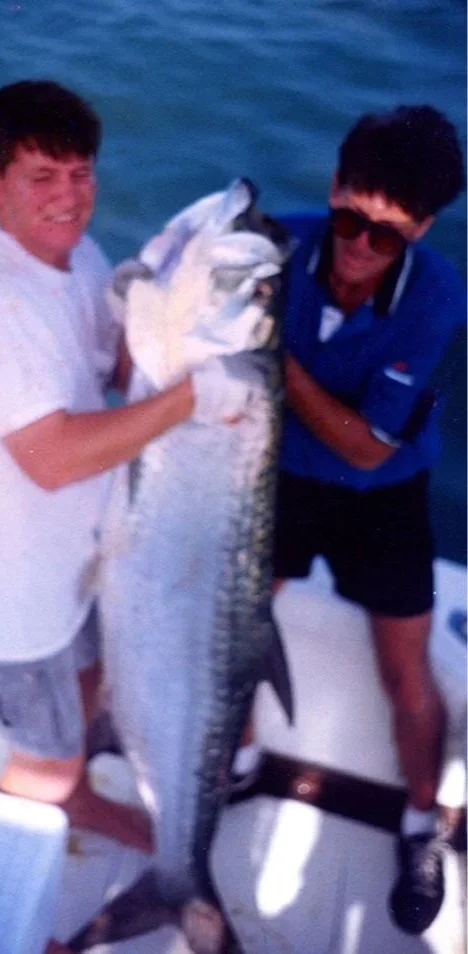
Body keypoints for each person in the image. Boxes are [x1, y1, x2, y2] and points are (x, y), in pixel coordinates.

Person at [0, 79, 252, 852]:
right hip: (4, 595)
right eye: (43, 177)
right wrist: (192, 398)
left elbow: (111, 367)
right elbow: (55, 458)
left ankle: (77, 798)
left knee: (84, 698)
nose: (69, 197)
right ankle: (5, 904)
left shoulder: (77, 254)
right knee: (39, 768)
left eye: (82, 174)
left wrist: (156, 306)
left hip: (70, 567)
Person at [272, 105, 466, 934]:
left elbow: (365, 450)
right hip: (273, 476)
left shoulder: (437, 301)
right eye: (348, 217)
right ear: (332, 190)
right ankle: (237, 761)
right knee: (229, 617)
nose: (356, 244)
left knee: (406, 674)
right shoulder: (271, 245)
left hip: (382, 495)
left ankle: (421, 823)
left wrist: (268, 360)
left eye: (384, 235)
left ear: (420, 229)